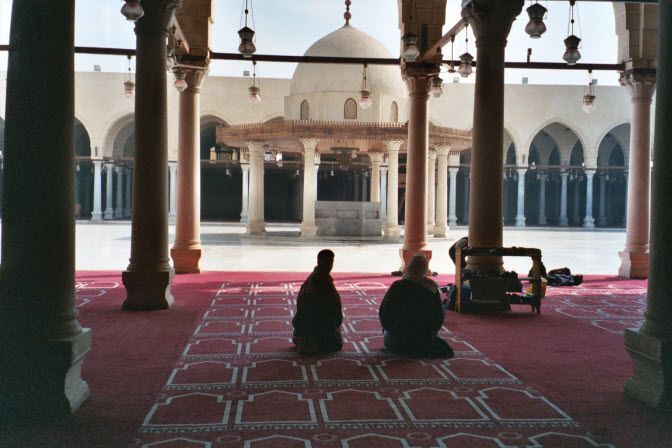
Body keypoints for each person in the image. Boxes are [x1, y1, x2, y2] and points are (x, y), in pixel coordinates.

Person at [379, 253, 454, 358]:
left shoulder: (397, 286)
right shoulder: (431, 288)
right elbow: (439, 317)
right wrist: (430, 334)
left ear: (409, 267)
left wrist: (389, 329)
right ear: (424, 268)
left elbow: (384, 313)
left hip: (397, 339)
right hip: (423, 339)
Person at [292, 249, 343, 356]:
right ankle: (311, 343)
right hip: (315, 326)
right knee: (337, 344)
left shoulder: (315, 277)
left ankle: (304, 340)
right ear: (319, 262)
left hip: (303, 326)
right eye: (327, 262)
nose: (329, 265)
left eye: (331, 262)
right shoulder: (320, 280)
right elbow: (331, 308)